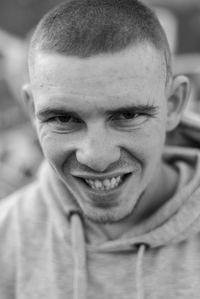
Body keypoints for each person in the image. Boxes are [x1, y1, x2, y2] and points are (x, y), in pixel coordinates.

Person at [1, 0, 200, 298]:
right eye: (64, 118)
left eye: (128, 116)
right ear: (32, 110)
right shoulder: (6, 236)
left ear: (173, 104)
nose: (96, 157)